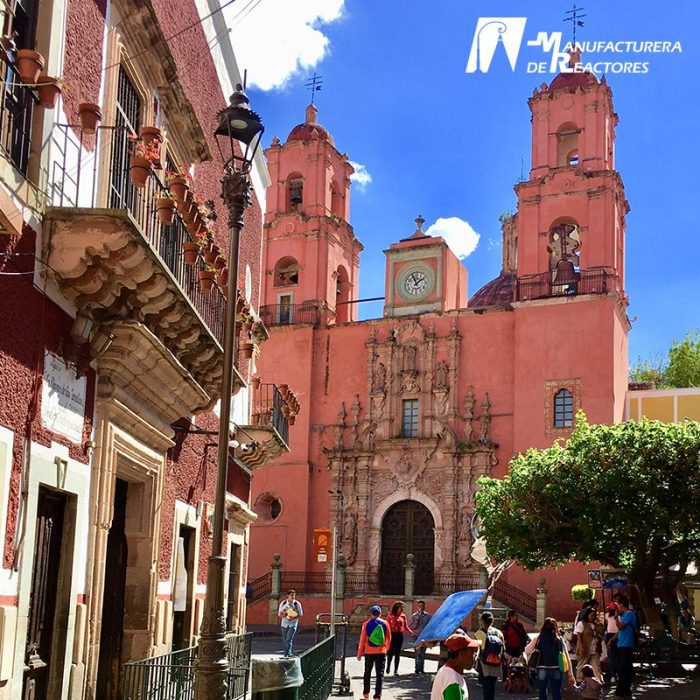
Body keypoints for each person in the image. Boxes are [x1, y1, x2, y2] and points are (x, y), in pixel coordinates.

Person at [525, 617, 575, 700]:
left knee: (542, 692)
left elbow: (527, 650)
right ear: (555, 627)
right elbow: (567, 656)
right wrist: (571, 674)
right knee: (556, 693)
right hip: (556, 668)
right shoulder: (560, 639)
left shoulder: (538, 637)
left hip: (541, 668)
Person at [430, 632, 480, 700]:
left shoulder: (446, 671)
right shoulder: (453, 681)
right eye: (472, 651)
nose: (475, 656)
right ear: (461, 654)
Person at [358, 605, 392, 700]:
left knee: (367, 673)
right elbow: (389, 638)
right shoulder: (385, 623)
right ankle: (377, 696)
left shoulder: (366, 624)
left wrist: (359, 653)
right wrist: (386, 649)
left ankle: (366, 694)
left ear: (371, 613)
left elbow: (362, 639)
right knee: (379, 675)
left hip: (369, 652)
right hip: (381, 652)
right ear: (380, 613)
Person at [474, 611, 504, 700]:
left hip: (485, 664)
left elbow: (477, 649)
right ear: (492, 621)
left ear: (482, 621)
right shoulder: (498, 633)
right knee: (492, 687)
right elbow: (503, 648)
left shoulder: (479, 633)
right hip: (496, 663)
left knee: (486, 689)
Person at [613, 594, 636, 700]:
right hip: (622, 644)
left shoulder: (628, 614)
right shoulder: (624, 615)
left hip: (626, 645)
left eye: (617, 603)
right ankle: (626, 691)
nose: (616, 606)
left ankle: (620, 692)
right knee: (624, 668)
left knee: (623, 669)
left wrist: (616, 618)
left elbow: (620, 627)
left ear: (622, 604)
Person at [574, 607, 603, 681]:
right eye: (592, 615)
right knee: (582, 665)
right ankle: (579, 680)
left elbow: (601, 632)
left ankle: (598, 680)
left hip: (595, 648)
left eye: (594, 616)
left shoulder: (596, 624)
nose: (593, 617)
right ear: (587, 615)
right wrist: (581, 646)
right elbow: (579, 636)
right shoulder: (581, 623)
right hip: (585, 647)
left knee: (596, 666)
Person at [386, 601, 413, 675]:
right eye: (401, 608)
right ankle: (388, 666)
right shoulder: (390, 616)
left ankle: (396, 670)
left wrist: (411, 632)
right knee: (390, 652)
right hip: (392, 635)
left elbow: (405, 626)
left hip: (400, 635)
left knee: (397, 653)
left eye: (403, 608)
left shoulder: (403, 616)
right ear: (396, 608)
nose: (402, 609)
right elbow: (387, 627)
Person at [278, 589, 303, 657]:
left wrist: (293, 618)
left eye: (294, 595)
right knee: (285, 639)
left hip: (293, 624)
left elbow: (300, 614)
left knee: (289, 639)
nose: (293, 596)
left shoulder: (297, 604)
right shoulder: (283, 603)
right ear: (287, 595)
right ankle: (287, 653)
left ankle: (287, 654)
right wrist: (283, 615)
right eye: (291, 595)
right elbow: (279, 614)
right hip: (284, 624)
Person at [411, 600, 432, 674]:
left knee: (422, 653)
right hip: (416, 636)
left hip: (424, 637)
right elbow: (412, 626)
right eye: (419, 606)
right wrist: (416, 621)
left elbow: (430, 626)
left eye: (422, 606)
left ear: (424, 606)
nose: (420, 607)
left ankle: (422, 669)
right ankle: (417, 669)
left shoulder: (428, 616)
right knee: (417, 653)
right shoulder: (414, 616)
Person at [603, 598, 619, 683]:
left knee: (611, 656)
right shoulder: (619, 616)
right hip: (618, 635)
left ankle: (612, 674)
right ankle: (617, 673)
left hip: (609, 636)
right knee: (618, 655)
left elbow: (605, 624)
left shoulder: (607, 615)